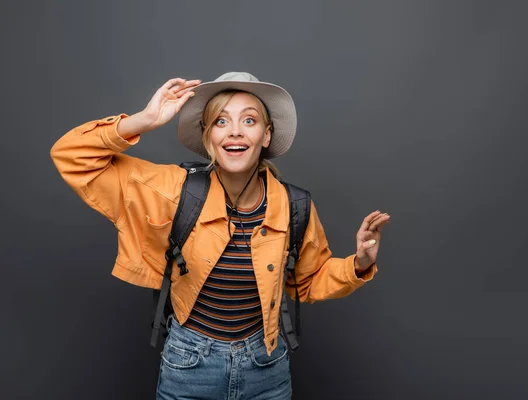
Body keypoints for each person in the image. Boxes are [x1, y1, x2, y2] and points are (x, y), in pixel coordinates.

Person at [50, 72, 390, 400]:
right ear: (207, 135)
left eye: (249, 120)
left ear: (266, 135)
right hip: (190, 365)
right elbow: (72, 156)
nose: (235, 133)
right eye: (221, 121)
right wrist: (144, 119)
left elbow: (309, 281)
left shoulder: (293, 205)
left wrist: (358, 264)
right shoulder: (173, 191)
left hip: (267, 365)